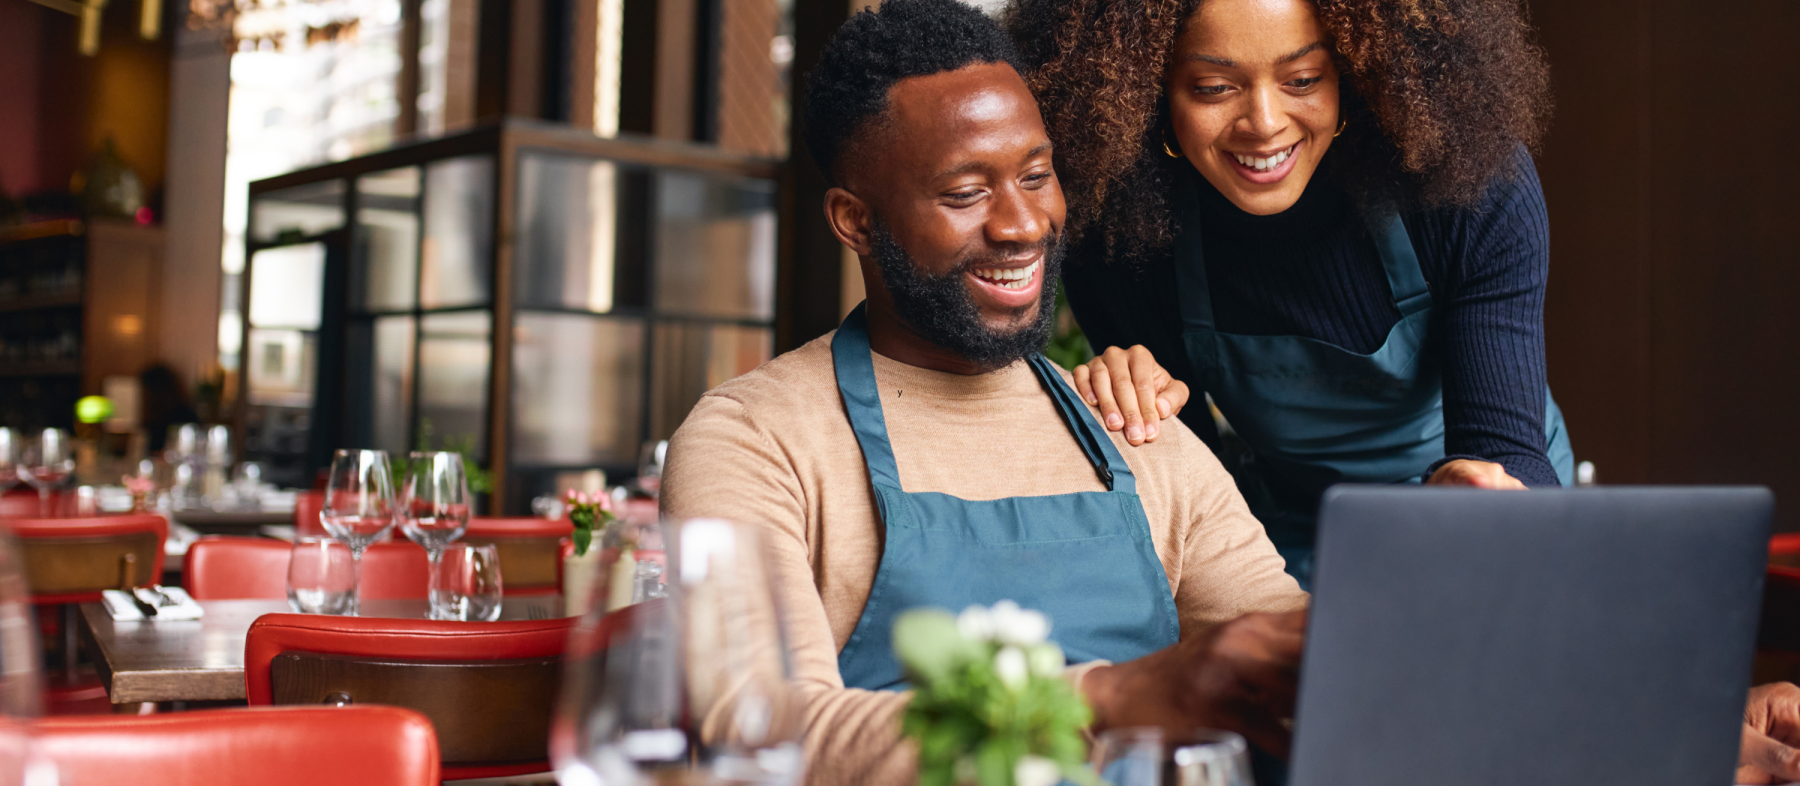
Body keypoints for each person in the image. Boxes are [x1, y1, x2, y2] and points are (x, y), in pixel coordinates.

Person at [659, 2, 1307, 782]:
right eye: (966, 194)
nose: (1023, 224)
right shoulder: (754, 438)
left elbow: (1297, 660)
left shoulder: (1135, 424)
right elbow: (760, 730)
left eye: (1037, 176)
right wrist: (1108, 696)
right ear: (855, 220)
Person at [1005, 0, 1572, 586]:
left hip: (1484, 507)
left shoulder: (1466, 185)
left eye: (1302, 80)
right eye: (1213, 87)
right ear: (1152, 90)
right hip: (1294, 528)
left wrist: (1479, 487)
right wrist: (1134, 407)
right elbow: (1194, 496)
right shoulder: (1122, 235)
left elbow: (1506, 450)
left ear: (1354, 70)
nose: (1265, 122)